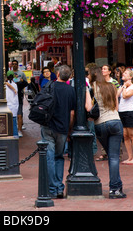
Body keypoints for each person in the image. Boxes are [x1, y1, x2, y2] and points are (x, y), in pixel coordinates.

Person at [41, 64, 76, 199]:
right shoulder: (71, 90)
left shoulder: (49, 86)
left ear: (58, 74)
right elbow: (72, 113)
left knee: (49, 157)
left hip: (48, 126)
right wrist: (69, 129)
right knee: (59, 157)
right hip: (62, 128)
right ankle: (59, 187)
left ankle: (52, 188)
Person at [92, 67, 126, 199]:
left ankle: (116, 185)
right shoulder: (112, 87)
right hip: (115, 121)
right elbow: (117, 107)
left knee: (111, 156)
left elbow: (89, 107)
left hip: (100, 124)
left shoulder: (93, 87)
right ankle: (115, 189)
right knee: (114, 157)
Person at [117, 69, 133, 164]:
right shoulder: (124, 86)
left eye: (125, 73)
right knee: (125, 136)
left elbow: (125, 96)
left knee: (132, 135)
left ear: (130, 77)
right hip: (121, 112)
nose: (123, 74)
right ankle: (130, 157)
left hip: (129, 112)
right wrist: (123, 86)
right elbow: (117, 95)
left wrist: (125, 87)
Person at [12, 59, 28, 137]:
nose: (14, 65)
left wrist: (20, 81)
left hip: (19, 95)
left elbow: (26, 83)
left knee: (19, 113)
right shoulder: (9, 73)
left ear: (17, 65)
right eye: (13, 64)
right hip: (11, 96)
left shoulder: (21, 73)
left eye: (15, 64)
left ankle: (19, 129)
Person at [5, 71, 19, 138]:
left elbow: (7, 84)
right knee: (14, 122)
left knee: (7, 122)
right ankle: (15, 136)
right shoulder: (15, 84)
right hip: (14, 106)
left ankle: (8, 135)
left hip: (7, 106)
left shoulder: (5, 85)